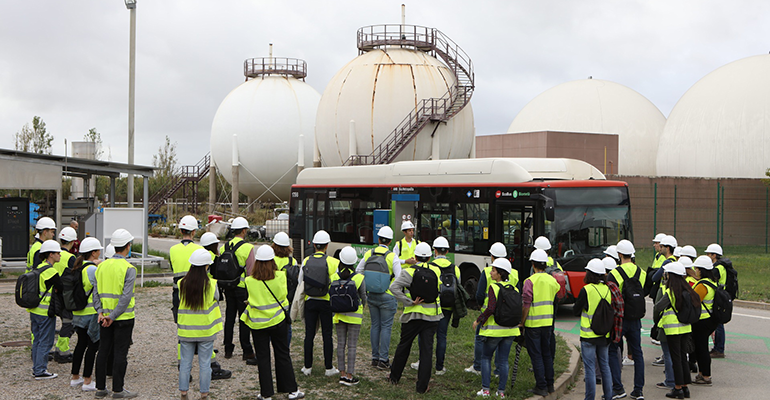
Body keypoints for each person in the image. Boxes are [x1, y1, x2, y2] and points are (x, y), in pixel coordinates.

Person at [241, 245, 304, 400]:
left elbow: (249, 299)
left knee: (263, 357)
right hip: (278, 321)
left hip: (257, 324)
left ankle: (266, 393)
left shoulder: (249, 281)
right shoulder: (281, 277)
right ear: (272, 261)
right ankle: (291, 390)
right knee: (282, 354)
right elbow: (283, 297)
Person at [388, 242, 442, 394]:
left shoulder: (409, 272)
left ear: (415, 256)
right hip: (432, 318)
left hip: (412, 316)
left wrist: (409, 302)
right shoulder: (436, 270)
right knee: (426, 351)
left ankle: (394, 377)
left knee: (404, 346)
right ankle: (422, 387)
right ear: (430, 256)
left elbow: (394, 288)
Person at [93, 229, 138, 398]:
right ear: (127, 246)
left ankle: (100, 388)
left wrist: (101, 312)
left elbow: (95, 293)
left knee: (103, 350)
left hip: (103, 317)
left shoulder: (101, 266)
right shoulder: (129, 268)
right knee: (120, 353)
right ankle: (118, 390)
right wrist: (113, 316)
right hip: (123, 318)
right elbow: (126, 297)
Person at [412, 236, 467, 375]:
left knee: (425, 335)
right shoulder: (455, 269)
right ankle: (439, 367)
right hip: (448, 306)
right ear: (447, 251)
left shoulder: (430, 267)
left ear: (434, 251)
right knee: (442, 335)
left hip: (431, 306)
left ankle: (422, 361)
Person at [177, 249, 223, 400]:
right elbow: (217, 298)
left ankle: (184, 393)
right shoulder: (212, 284)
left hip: (186, 331)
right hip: (205, 331)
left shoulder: (181, 283)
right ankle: (204, 394)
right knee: (205, 364)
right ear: (206, 267)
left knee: (185, 363)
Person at [472, 257, 520, 398]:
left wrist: (478, 320)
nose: (491, 273)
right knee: (504, 360)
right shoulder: (515, 288)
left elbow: (490, 308)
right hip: (511, 330)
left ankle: (486, 390)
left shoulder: (494, 287)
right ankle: (501, 392)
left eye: (493, 270)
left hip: (495, 331)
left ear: (500, 273)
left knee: (486, 357)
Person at [356, 226, 402, 370]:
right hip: (387, 296)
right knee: (386, 327)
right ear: (390, 241)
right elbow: (399, 277)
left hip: (372, 295)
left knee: (375, 326)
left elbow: (358, 270)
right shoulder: (392, 256)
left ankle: (375, 358)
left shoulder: (369, 253)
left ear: (378, 239)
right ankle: (383, 360)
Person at [606, 239, 646, 400]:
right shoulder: (641, 272)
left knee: (612, 350)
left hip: (619, 319)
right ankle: (638, 390)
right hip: (636, 318)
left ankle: (618, 388)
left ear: (619, 254)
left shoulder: (614, 273)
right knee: (637, 353)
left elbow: (611, 296)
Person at [653, 262, 698, 399]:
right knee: (683, 357)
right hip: (686, 327)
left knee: (676, 358)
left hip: (673, 330)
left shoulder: (671, 292)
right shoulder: (689, 290)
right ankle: (685, 387)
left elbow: (658, 306)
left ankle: (677, 388)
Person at [299, 230, 339, 376]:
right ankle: (328, 368)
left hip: (310, 301)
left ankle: (307, 367)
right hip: (326, 302)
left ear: (314, 245)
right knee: (327, 335)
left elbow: (300, 282)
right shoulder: (334, 262)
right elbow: (335, 284)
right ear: (327, 246)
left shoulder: (306, 261)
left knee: (309, 334)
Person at [573, 259, 614, 400]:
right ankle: (609, 396)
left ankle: (589, 398)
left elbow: (575, 310)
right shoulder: (608, 290)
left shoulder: (586, 290)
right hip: (604, 335)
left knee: (590, 368)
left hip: (588, 335)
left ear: (589, 274)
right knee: (605, 366)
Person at [522, 249, 560, 397]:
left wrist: (522, 322)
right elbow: (557, 293)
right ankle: (550, 385)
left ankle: (541, 386)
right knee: (547, 354)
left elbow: (526, 305)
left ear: (533, 264)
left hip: (533, 324)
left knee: (536, 355)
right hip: (548, 323)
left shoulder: (529, 281)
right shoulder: (552, 280)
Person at [467, 242, 508, 374]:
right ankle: (498, 371)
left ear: (492, 256)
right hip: (506, 313)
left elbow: (479, 294)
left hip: (488, 312)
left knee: (480, 338)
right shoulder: (514, 273)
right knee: (502, 341)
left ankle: (478, 366)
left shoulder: (486, 272)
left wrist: (481, 307)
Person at [70, 238, 103, 392]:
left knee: (81, 344)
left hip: (78, 312)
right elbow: (100, 287)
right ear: (93, 252)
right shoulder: (92, 269)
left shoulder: (78, 267)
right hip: (90, 312)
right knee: (93, 346)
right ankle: (88, 380)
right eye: (98, 250)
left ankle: (75, 377)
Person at [221, 217, 256, 362]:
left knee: (229, 317)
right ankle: (246, 350)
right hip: (242, 289)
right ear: (243, 230)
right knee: (244, 319)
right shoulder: (248, 248)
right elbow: (251, 272)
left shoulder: (224, 247)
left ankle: (228, 349)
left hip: (228, 287)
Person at [28, 240, 63, 380]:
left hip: (34, 310)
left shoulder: (38, 268)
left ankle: (36, 368)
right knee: (46, 341)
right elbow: (61, 288)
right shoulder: (51, 271)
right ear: (50, 255)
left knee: (37, 339)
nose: (60, 255)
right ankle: (40, 370)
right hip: (45, 312)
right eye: (57, 253)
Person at [332, 246, 367, 386]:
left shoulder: (334, 277)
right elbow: (363, 297)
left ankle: (341, 374)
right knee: (352, 346)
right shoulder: (359, 278)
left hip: (338, 315)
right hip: (355, 316)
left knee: (341, 344)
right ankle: (349, 376)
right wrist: (361, 308)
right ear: (354, 261)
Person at [691, 255, 719, 385]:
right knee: (700, 347)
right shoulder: (712, 282)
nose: (695, 270)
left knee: (701, 348)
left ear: (702, 270)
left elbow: (694, 301)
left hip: (702, 320)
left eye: (697, 268)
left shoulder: (702, 285)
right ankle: (702, 373)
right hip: (709, 320)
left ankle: (706, 375)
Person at [52, 226, 78, 363]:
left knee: (58, 321)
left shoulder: (53, 254)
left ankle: (56, 350)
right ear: (72, 242)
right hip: (65, 295)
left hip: (52, 294)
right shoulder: (70, 258)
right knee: (68, 323)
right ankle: (62, 352)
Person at [705, 243, 727, 358]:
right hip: (720, 296)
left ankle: (719, 349)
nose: (708, 256)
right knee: (718, 324)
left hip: (718, 297)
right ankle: (718, 348)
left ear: (714, 255)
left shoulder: (718, 268)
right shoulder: (719, 266)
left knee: (718, 324)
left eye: (709, 254)